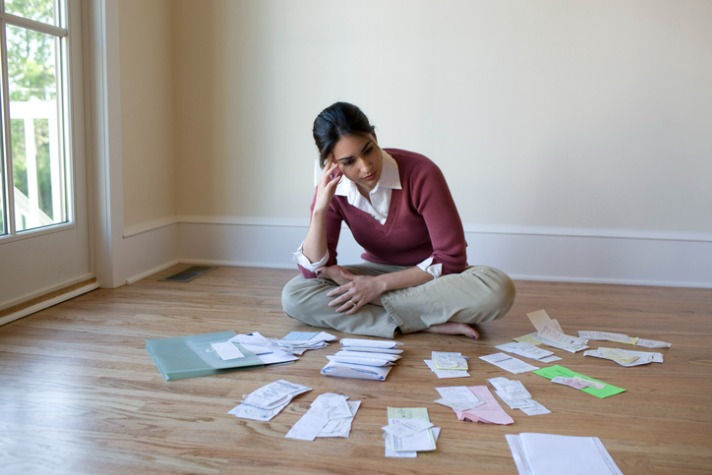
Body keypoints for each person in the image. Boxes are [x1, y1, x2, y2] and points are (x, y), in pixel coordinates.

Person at [281, 102, 515, 339]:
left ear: (374, 136)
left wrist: (378, 287)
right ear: (331, 163)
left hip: (431, 278)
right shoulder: (332, 189)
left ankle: (388, 314)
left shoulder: (421, 172)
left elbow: (451, 259)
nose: (365, 166)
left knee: (496, 289)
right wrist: (320, 208)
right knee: (295, 295)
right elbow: (314, 271)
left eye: (368, 150)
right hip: (376, 272)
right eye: (349, 162)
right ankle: (423, 321)